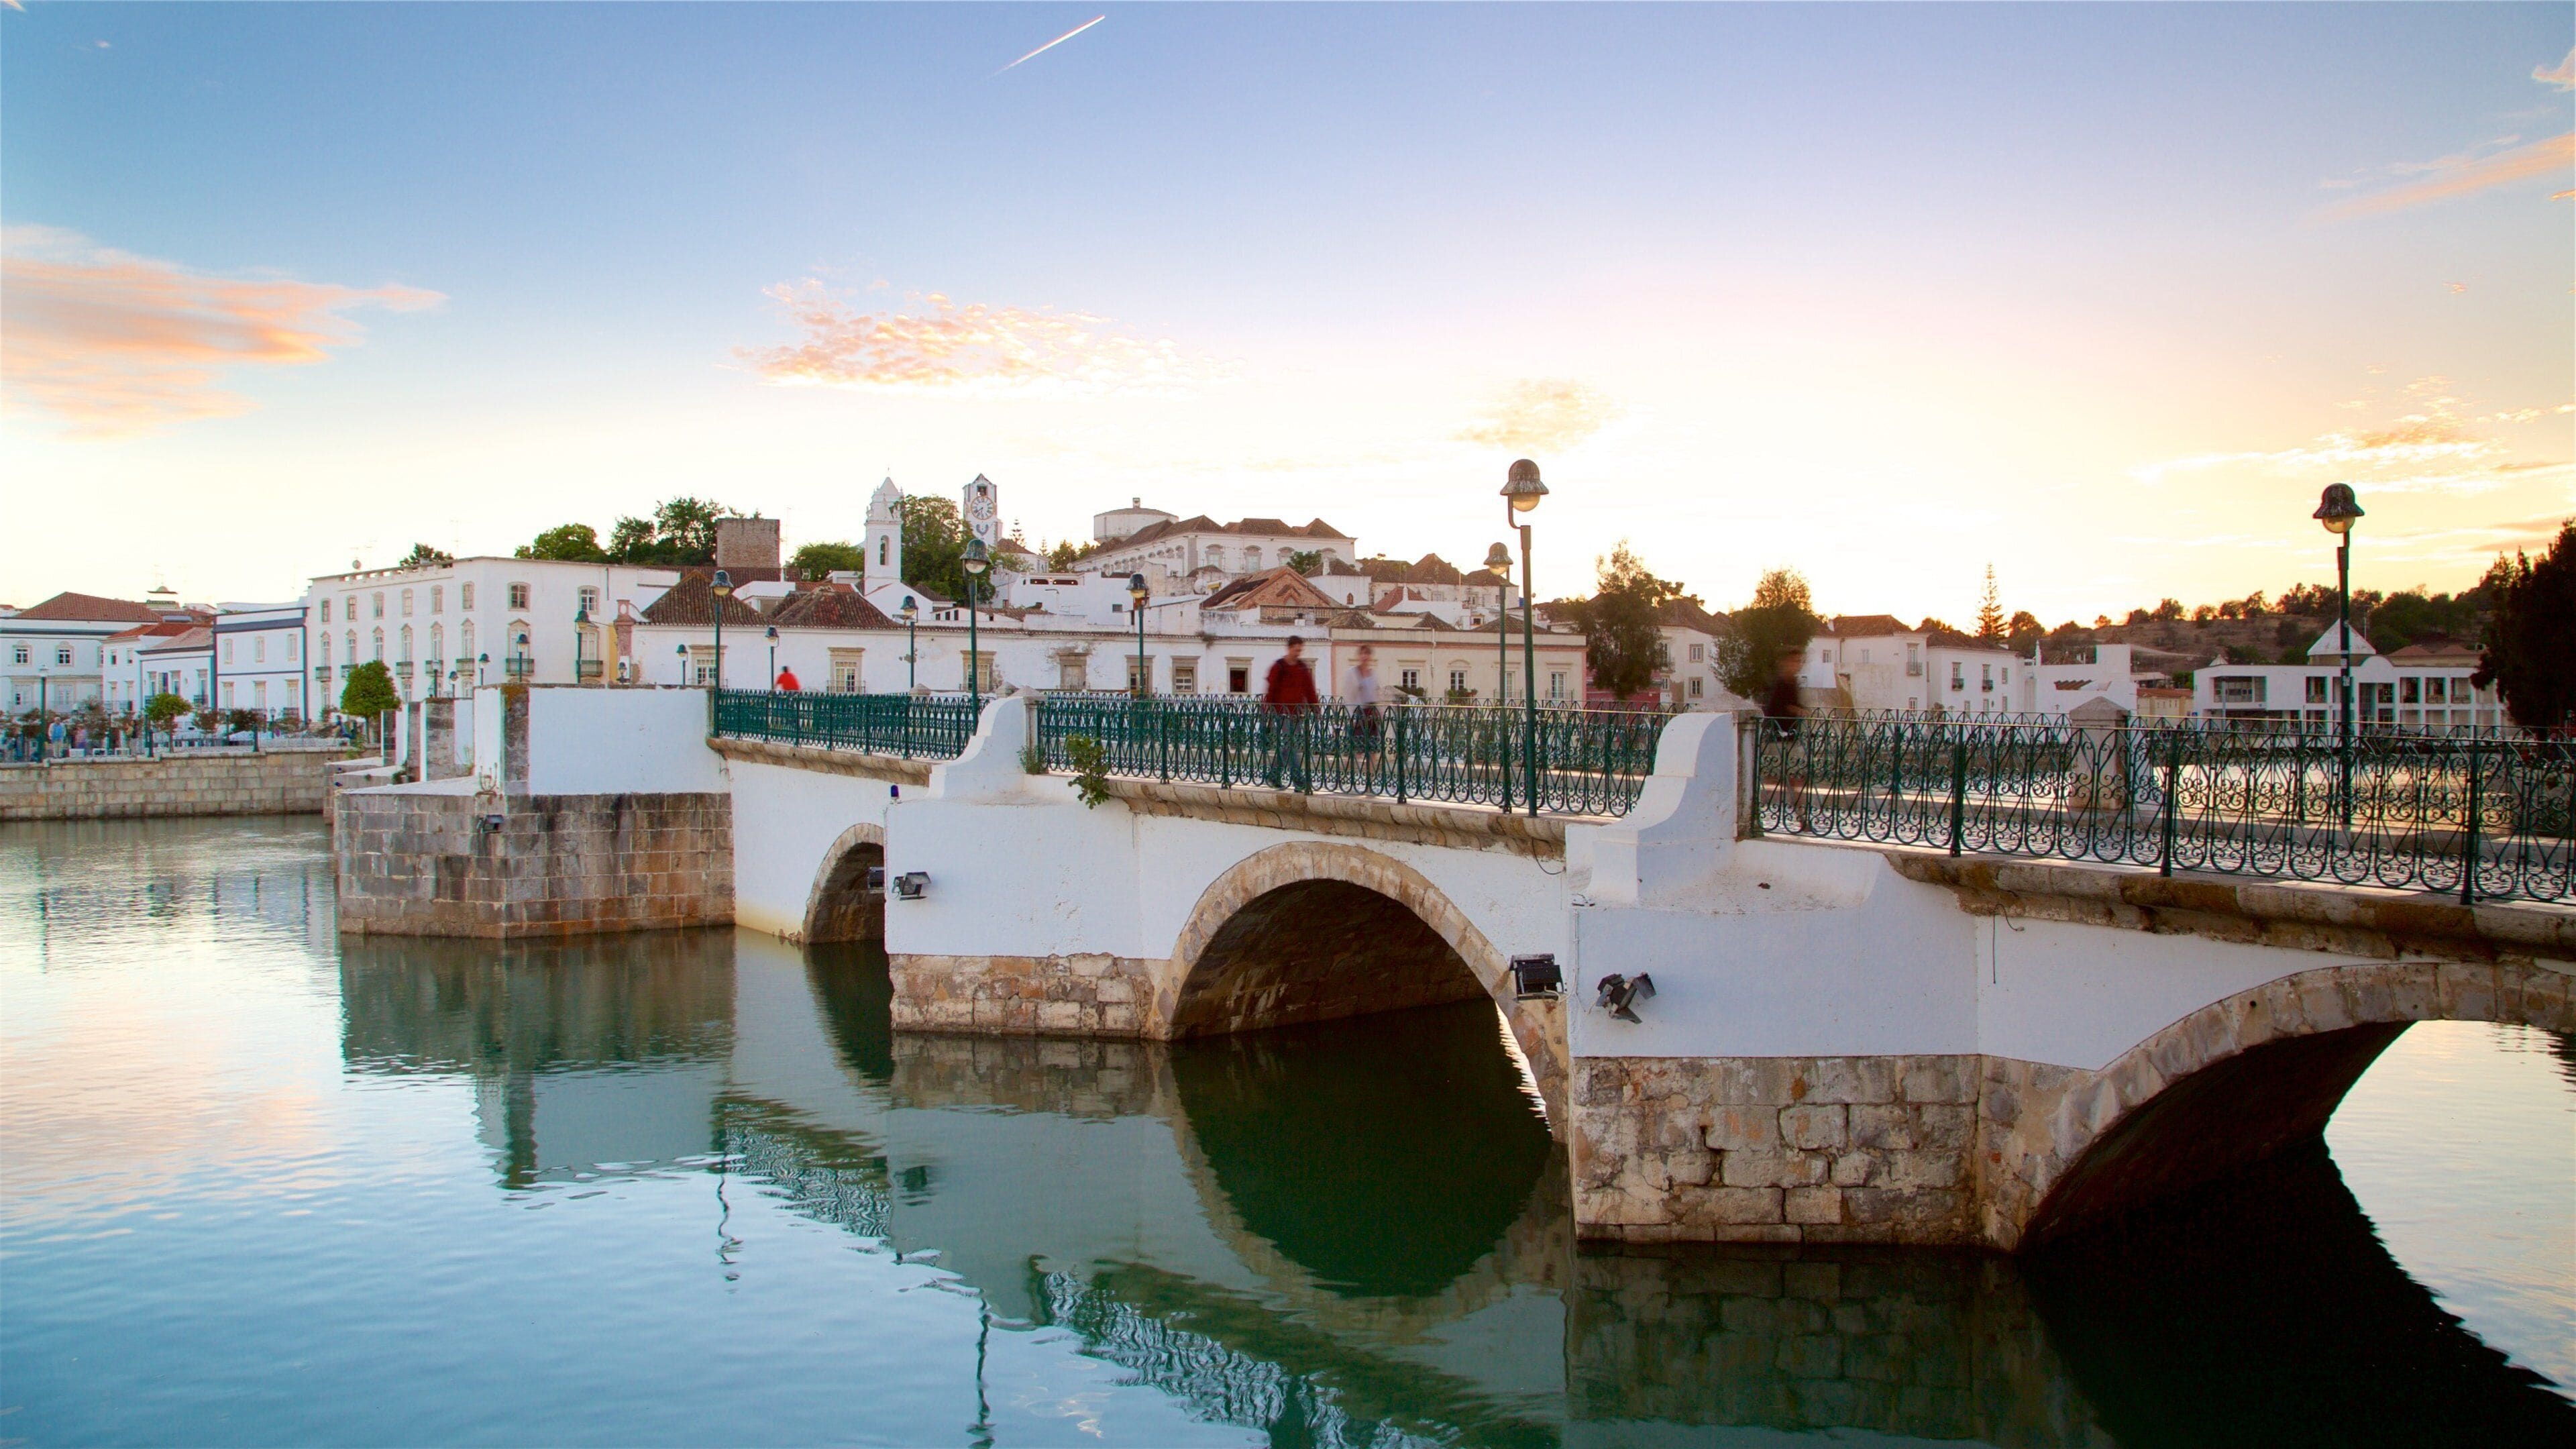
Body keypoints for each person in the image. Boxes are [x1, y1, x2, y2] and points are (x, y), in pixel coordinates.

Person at [1261, 636, 1318, 790]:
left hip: (1296, 713)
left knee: (1288, 747)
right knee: (1290, 746)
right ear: (1290, 648)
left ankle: (1273, 776)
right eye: (1296, 649)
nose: (1298, 653)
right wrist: (1267, 711)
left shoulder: (1302, 668)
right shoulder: (1279, 667)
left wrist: (1315, 708)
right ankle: (1299, 780)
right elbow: (1271, 690)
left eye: (1300, 650)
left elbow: (1309, 689)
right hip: (1282, 713)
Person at [1764, 650, 1811, 828]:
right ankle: (1798, 817)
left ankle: (1800, 817)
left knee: (1793, 780)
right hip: (1780, 739)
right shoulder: (1782, 684)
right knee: (1787, 779)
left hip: (1790, 738)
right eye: (1795, 661)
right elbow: (1776, 708)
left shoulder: (1791, 683)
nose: (1798, 664)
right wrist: (1796, 710)